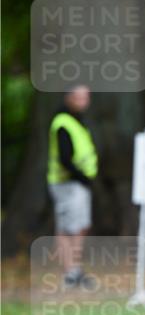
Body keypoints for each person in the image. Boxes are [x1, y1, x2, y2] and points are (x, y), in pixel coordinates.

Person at [47, 85, 98, 287]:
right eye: (79, 98)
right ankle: (70, 272)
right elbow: (64, 158)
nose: (83, 102)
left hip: (78, 184)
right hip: (67, 183)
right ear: (68, 98)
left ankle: (75, 270)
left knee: (79, 227)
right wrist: (81, 177)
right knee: (68, 229)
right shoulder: (63, 123)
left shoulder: (78, 122)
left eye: (86, 98)